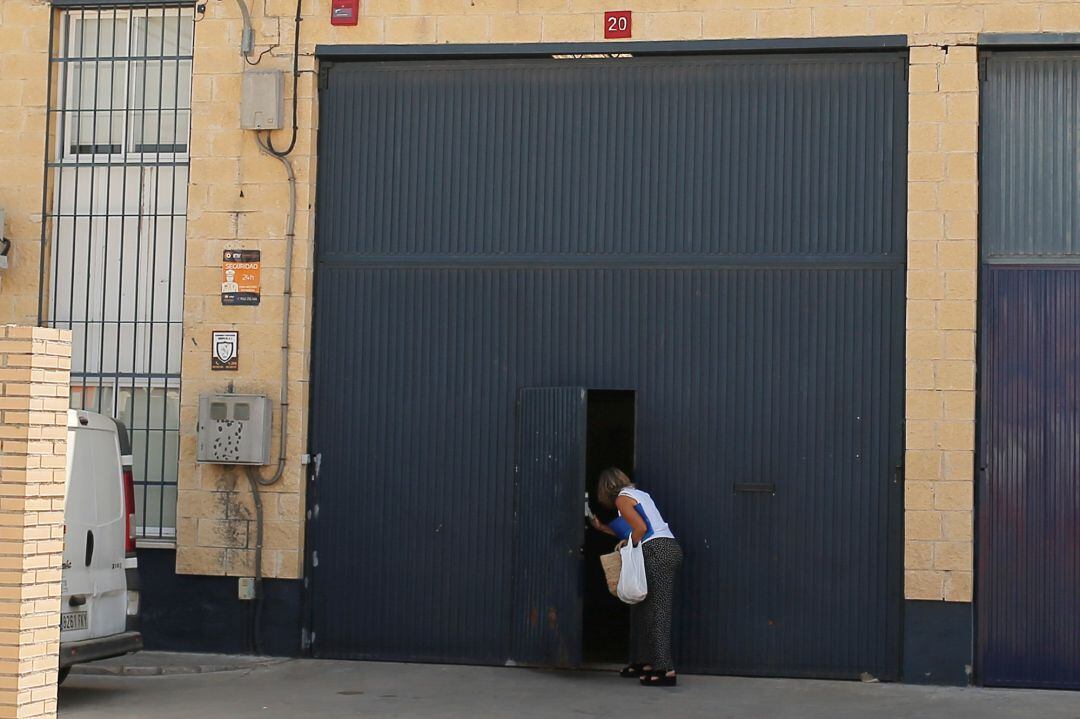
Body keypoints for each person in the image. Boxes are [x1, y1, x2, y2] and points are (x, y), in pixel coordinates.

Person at [590, 467, 683, 687]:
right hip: (663, 549)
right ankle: (645, 662)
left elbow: (640, 529)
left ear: (605, 489)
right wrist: (603, 529)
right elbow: (638, 527)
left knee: (657, 612)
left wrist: (629, 544)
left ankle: (665, 670)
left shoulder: (622, 499)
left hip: (657, 551)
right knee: (643, 609)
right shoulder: (638, 494)